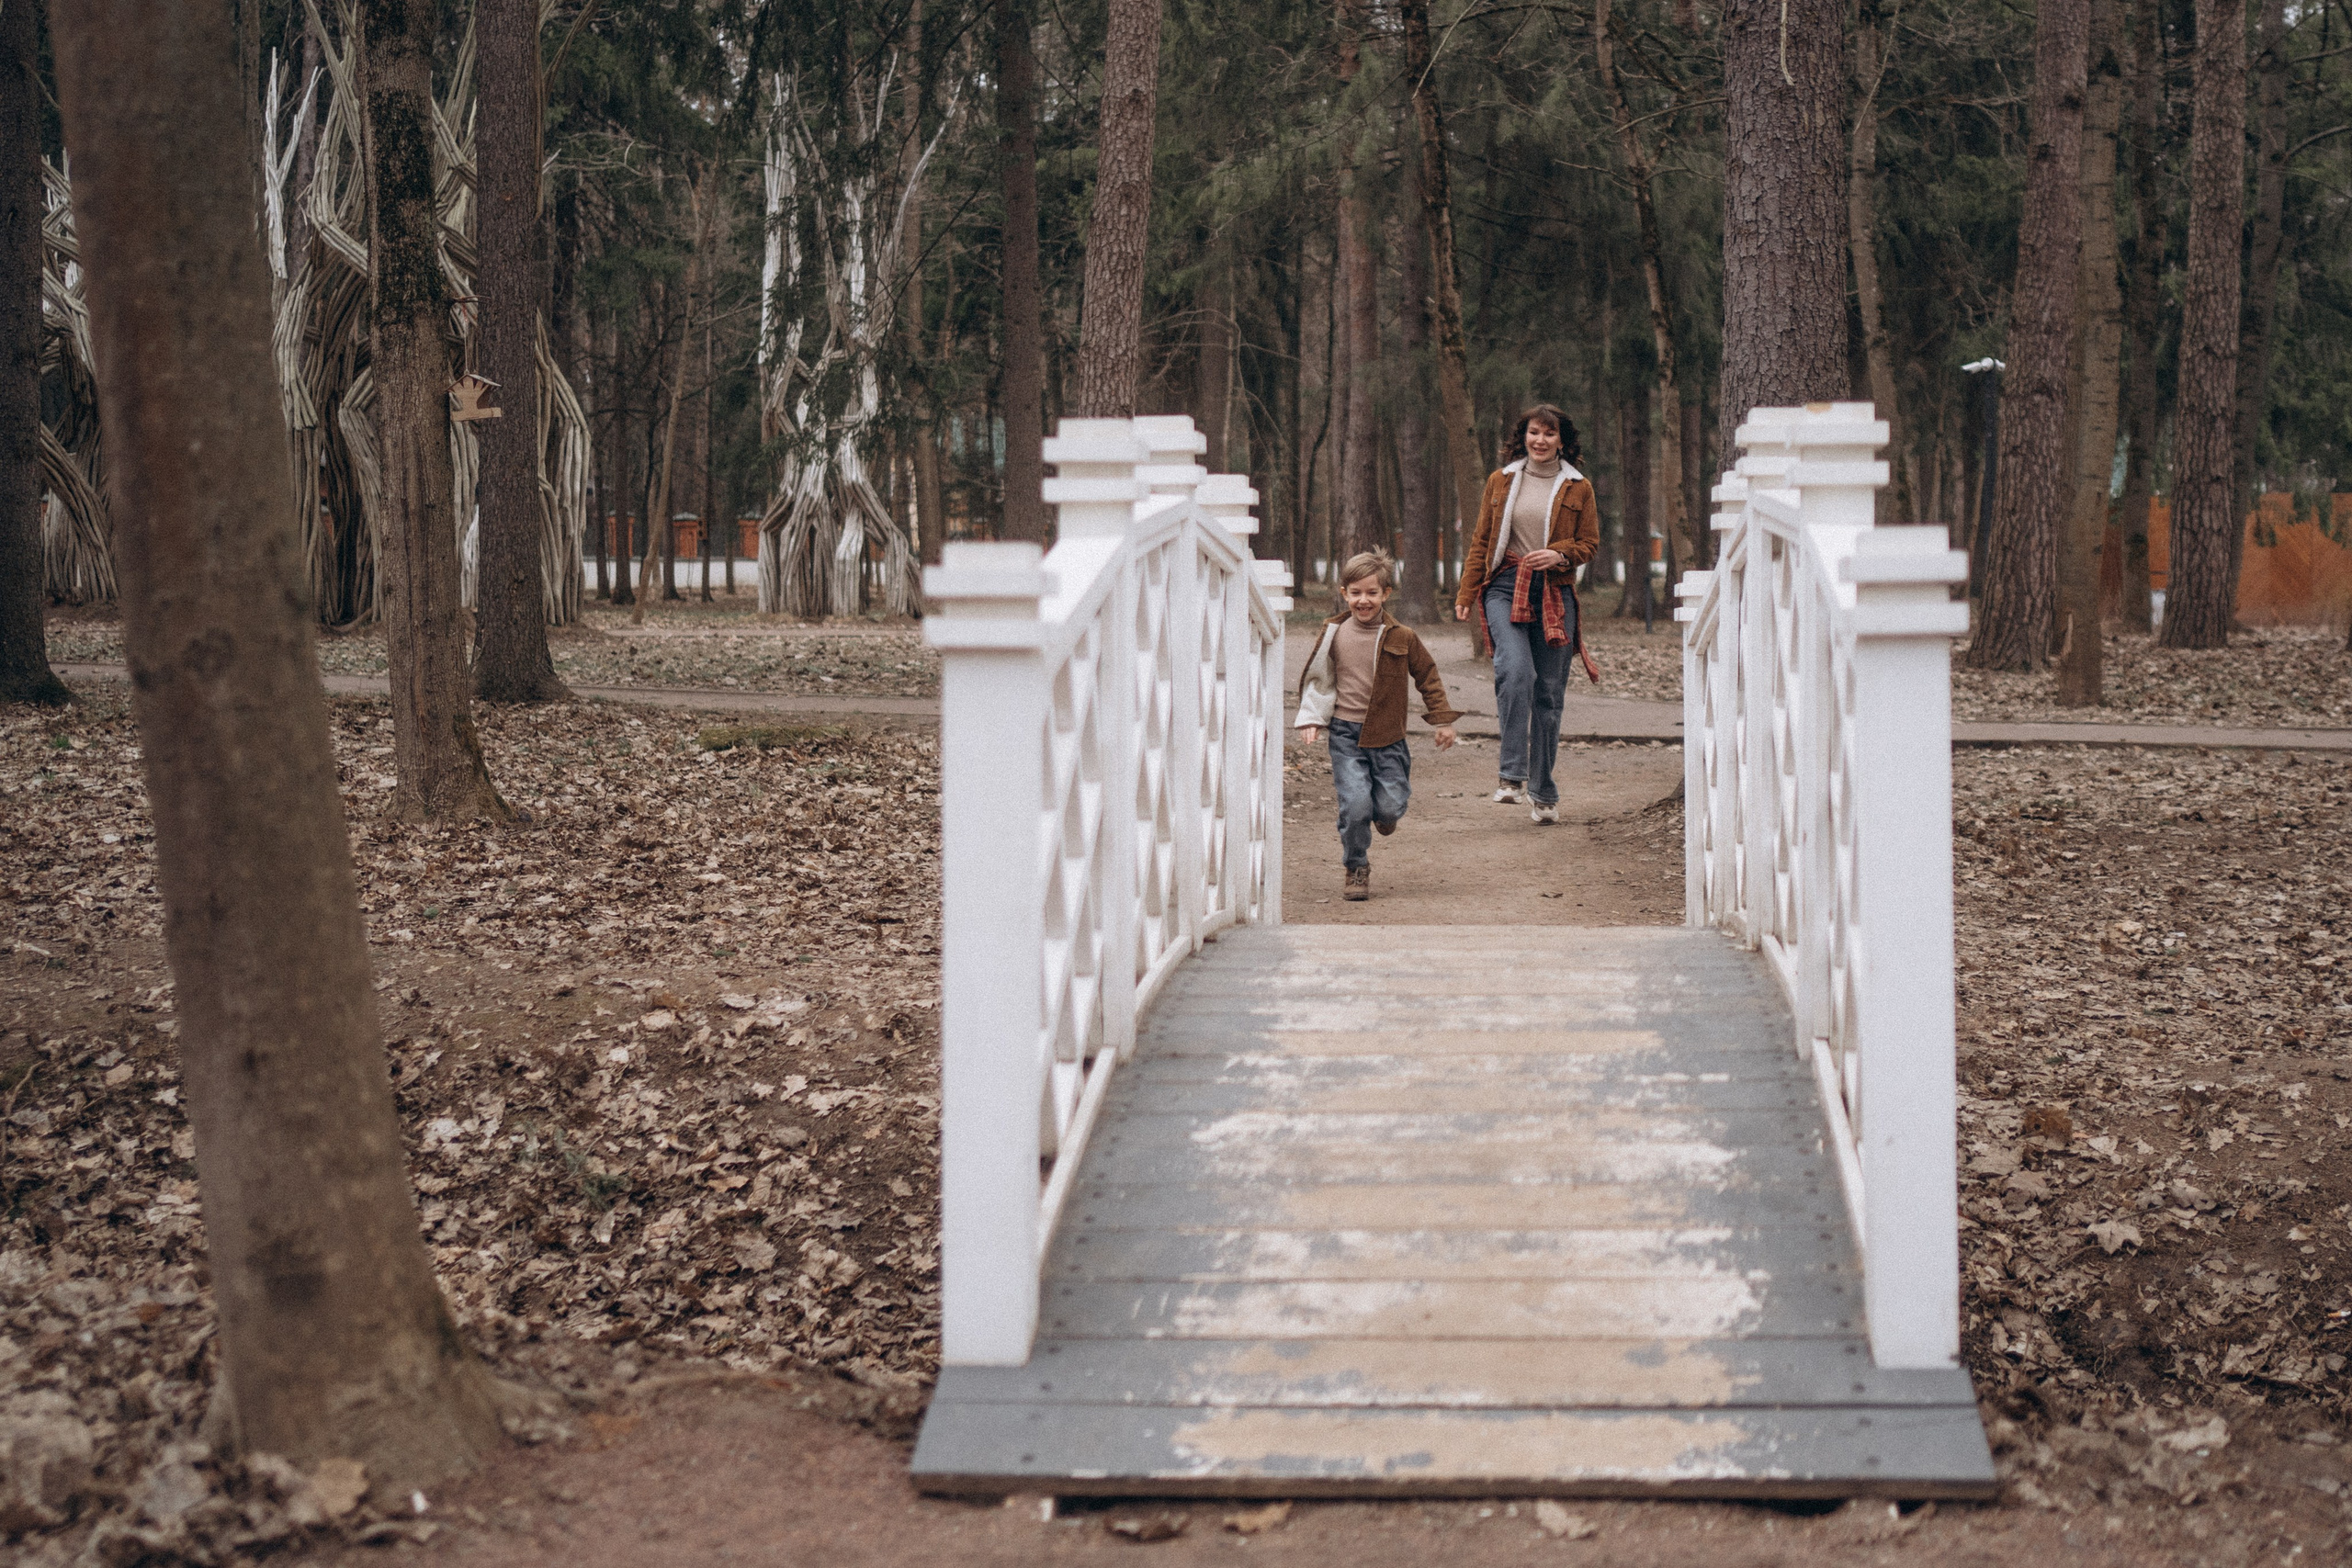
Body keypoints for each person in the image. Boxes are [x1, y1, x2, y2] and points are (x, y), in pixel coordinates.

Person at [1453, 403, 1599, 825]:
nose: (1540, 441)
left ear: (1561, 441)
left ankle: (1543, 790)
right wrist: (1466, 591)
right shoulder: (1501, 480)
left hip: (1555, 592)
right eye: (1534, 432)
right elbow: (1482, 538)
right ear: (1524, 436)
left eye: (1549, 434)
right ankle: (1511, 775)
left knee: (1549, 695)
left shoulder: (1579, 487)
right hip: (1503, 586)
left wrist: (1560, 554)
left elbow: (1589, 543)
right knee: (1515, 670)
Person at [1295, 550, 1460, 901]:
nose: (1363, 600)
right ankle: (1356, 865)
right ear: (1344, 593)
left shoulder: (1402, 636)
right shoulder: (1333, 632)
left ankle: (1385, 815)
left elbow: (1427, 676)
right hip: (1345, 734)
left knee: (1388, 808)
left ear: (1386, 593)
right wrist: (1312, 717)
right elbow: (1318, 679)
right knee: (1355, 806)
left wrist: (1442, 719)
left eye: (1371, 593)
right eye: (1355, 593)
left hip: (1388, 738)